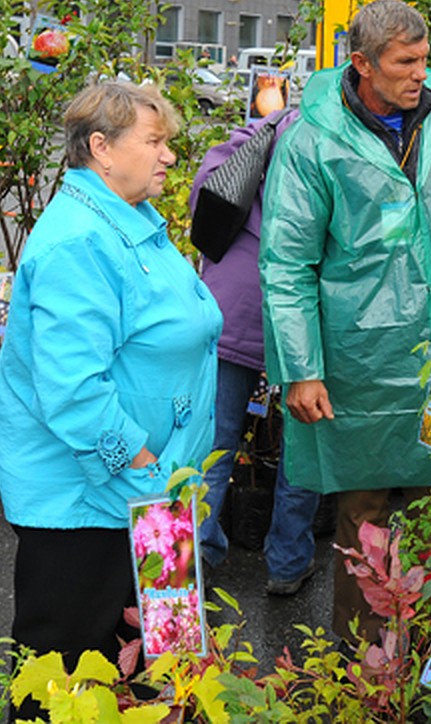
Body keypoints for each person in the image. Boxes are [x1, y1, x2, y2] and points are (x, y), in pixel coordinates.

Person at [259, 0, 431, 644]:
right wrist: (301, 369)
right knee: (367, 519)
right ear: (361, 64)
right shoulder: (314, 140)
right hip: (363, 361)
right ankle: (364, 678)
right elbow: (286, 261)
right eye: (404, 63)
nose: (420, 75)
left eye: (425, 59)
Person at [0, 81, 222, 706]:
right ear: (102, 148)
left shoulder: (132, 219)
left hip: (159, 488)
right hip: (94, 498)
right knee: (67, 675)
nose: (169, 156)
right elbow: (72, 388)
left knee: (162, 658)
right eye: (154, 142)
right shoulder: (79, 242)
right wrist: (140, 462)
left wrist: (164, 479)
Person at [191, 112, 322, 594]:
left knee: (214, 442)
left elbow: (206, 194)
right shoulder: (337, 144)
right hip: (305, 320)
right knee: (304, 447)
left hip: (232, 306)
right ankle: (287, 562)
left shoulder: (263, 134)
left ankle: (200, 554)